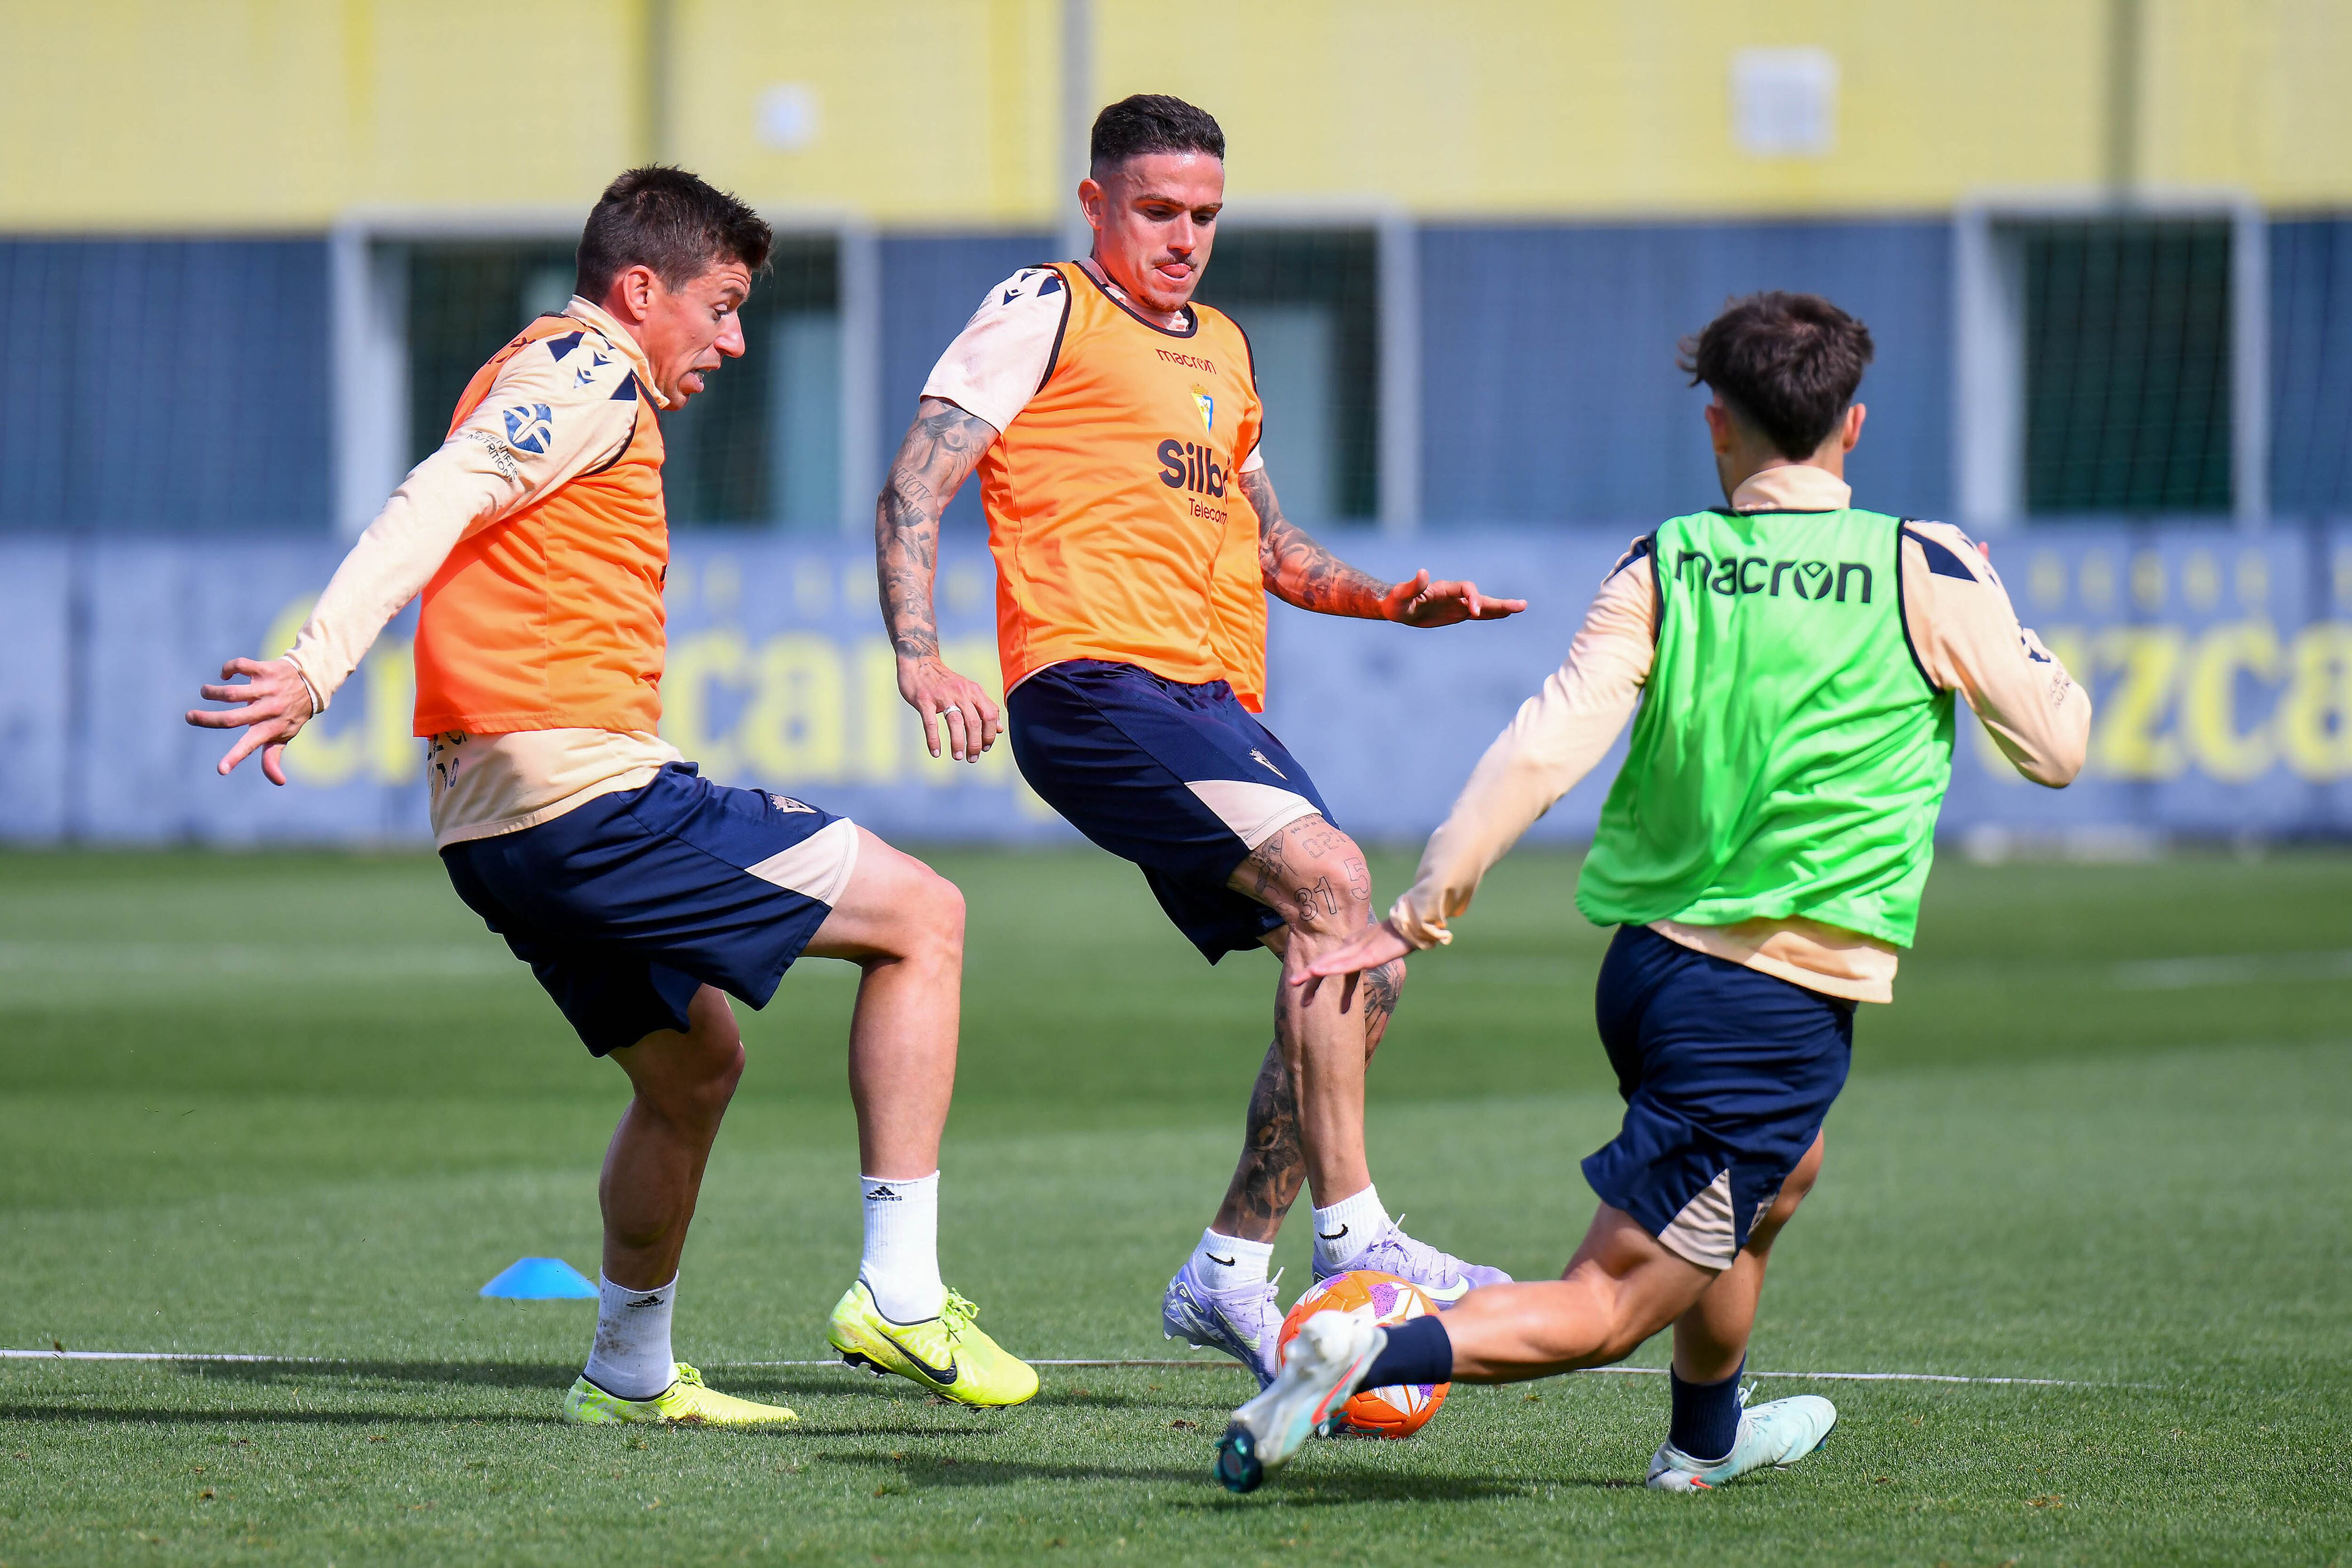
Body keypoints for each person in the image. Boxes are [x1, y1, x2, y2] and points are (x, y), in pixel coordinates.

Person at [187, 166, 1037, 1424]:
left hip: (492, 824)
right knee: (926, 918)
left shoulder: (566, 377)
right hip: (578, 796)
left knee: (694, 1066)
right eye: (722, 306)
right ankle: (901, 1294)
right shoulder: (582, 377)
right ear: (642, 291)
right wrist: (317, 666)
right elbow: (441, 495)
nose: (736, 340)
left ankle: (629, 1370)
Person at [1214, 291, 2091, 1491]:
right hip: (1769, 994)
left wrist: (1419, 909)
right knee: (1608, 1302)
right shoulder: (1926, 566)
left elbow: (1538, 747)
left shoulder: (1666, 560)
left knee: (1779, 1176)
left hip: (1648, 974)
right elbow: (2056, 749)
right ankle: (1372, 1345)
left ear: (1717, 426)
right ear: (1854, 425)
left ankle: (1702, 1442)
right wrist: (1996, 607)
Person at [873, 94, 1527, 1386]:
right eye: (1159, 211)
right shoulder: (1043, 305)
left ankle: (1229, 1265)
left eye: (1206, 215)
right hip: (1091, 683)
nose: (1185, 238)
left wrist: (1390, 596)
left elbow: (1274, 542)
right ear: (1098, 204)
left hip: (1210, 699)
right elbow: (915, 480)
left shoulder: (1224, 345)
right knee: (1338, 883)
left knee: (1361, 957)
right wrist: (918, 651)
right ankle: (1363, 1238)